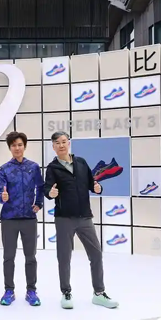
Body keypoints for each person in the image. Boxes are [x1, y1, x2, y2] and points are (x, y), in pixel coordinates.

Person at [44, 131, 119, 310]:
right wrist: (50, 193)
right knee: (64, 257)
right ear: (53, 147)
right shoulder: (52, 168)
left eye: (64, 141)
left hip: (85, 217)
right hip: (64, 218)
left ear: (69, 143)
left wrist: (98, 188)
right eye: (57, 143)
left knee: (96, 254)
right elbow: (47, 189)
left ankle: (99, 293)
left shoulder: (81, 162)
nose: (61, 145)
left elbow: (92, 184)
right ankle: (66, 293)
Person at [0, 131, 44, 306]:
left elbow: (41, 187)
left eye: (20, 145)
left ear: (25, 146)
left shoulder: (34, 167)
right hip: (9, 218)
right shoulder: (3, 169)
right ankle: (9, 290)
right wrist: (2, 197)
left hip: (29, 218)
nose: (17, 148)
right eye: (14, 145)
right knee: (9, 256)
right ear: (10, 148)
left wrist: (39, 203)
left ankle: (31, 291)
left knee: (31, 256)